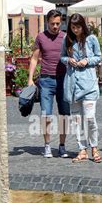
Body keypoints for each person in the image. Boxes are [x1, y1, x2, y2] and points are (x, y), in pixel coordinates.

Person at [28, 9, 70, 158]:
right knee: (46, 114)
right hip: (46, 80)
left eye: (58, 23)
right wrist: (30, 79)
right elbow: (34, 58)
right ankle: (47, 146)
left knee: (64, 114)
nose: (55, 26)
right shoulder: (41, 37)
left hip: (63, 80)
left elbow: (72, 56)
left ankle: (62, 146)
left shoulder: (65, 37)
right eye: (52, 24)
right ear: (47, 22)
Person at [60, 13, 102, 163]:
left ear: (83, 26)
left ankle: (94, 147)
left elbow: (99, 57)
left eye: (78, 27)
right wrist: (68, 60)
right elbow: (62, 57)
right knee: (77, 120)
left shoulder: (91, 39)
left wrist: (87, 60)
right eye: (73, 27)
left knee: (90, 118)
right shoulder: (67, 40)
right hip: (72, 85)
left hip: (89, 85)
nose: (76, 30)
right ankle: (82, 149)